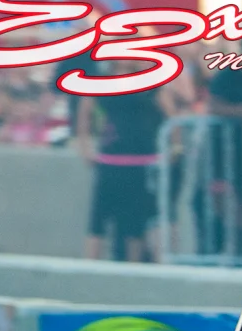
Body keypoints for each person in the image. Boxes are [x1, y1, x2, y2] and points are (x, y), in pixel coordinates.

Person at [72, 71, 170, 261]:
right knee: (99, 219)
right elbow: (84, 112)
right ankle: (89, 267)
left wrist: (175, 145)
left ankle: (133, 268)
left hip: (141, 161)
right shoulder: (102, 78)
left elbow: (169, 111)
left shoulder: (150, 81)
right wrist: (84, 147)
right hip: (111, 159)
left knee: (136, 222)